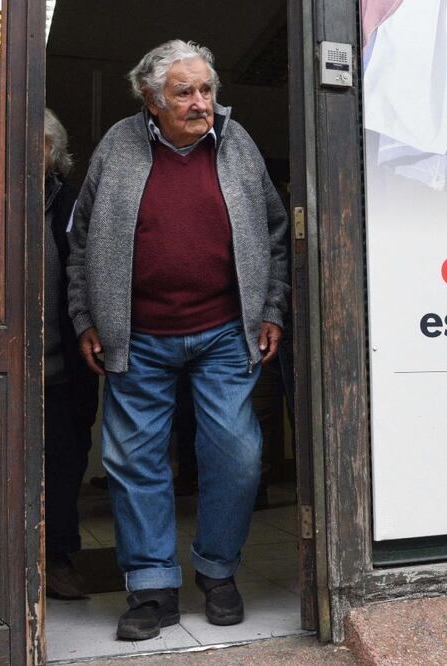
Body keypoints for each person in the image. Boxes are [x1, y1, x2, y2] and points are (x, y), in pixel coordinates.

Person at [67, 39, 290, 641]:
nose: (201, 103)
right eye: (184, 92)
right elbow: (81, 242)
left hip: (223, 330)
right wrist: (87, 317)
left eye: (206, 90)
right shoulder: (117, 146)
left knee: (238, 455)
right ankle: (151, 587)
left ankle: (217, 571)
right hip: (137, 335)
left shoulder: (237, 144)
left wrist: (270, 307)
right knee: (134, 460)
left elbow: (276, 232)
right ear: (152, 100)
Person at [43, 108, 98, 600]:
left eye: (41, 144)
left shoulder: (72, 202)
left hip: (62, 368)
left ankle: (57, 558)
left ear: (54, 154)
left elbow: (89, 268)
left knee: (63, 468)